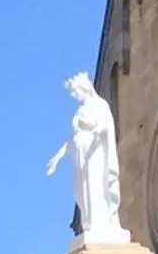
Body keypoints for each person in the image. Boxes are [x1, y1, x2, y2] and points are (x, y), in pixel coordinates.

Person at [46, 73, 131, 243]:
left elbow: (106, 127)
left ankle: (101, 223)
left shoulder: (100, 106)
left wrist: (98, 130)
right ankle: (90, 224)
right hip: (81, 157)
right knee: (82, 192)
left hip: (95, 155)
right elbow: (72, 138)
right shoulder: (80, 111)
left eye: (76, 91)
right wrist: (57, 158)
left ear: (84, 88)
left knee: (95, 187)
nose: (75, 95)